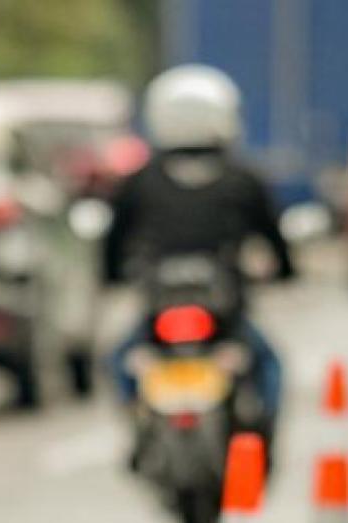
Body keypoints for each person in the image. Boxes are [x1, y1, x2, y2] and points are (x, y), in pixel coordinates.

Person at [103, 64, 296, 459]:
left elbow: (112, 243)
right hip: (224, 316)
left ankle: (135, 423)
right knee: (269, 365)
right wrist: (287, 271)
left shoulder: (140, 181)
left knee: (118, 358)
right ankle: (263, 437)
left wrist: (111, 276)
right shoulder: (243, 180)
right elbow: (275, 240)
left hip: (162, 316)